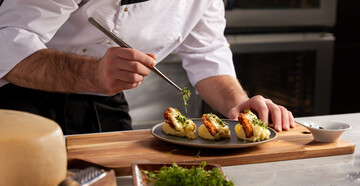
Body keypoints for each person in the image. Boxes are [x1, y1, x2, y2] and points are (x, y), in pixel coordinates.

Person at [0, 0, 295, 135]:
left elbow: (206, 53)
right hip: (21, 96)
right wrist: (92, 73)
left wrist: (238, 105)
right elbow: (9, 43)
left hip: (104, 102)